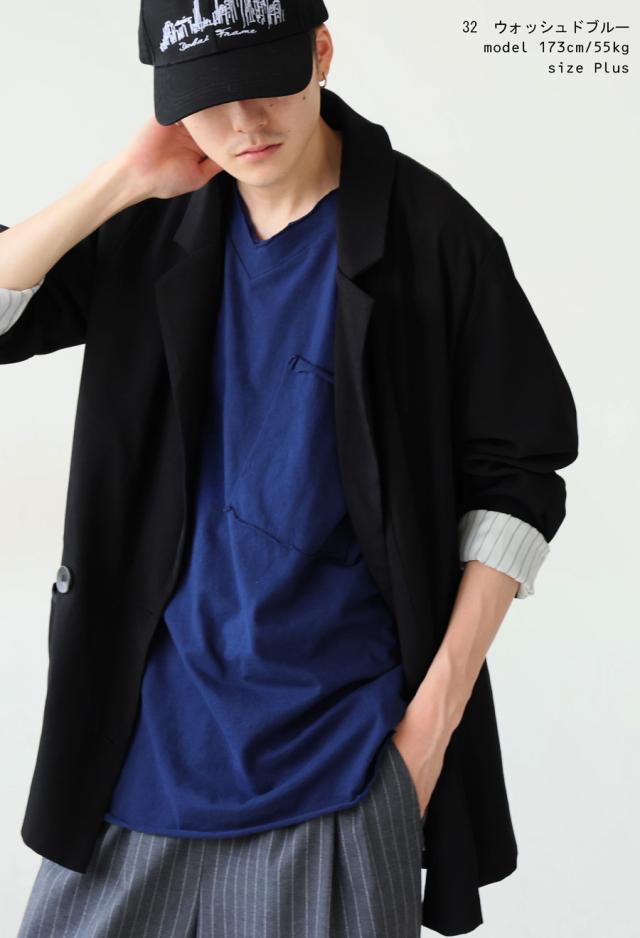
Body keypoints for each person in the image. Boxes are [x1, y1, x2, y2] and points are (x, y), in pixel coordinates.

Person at [1, 1, 579, 935]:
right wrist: (121, 181)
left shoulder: (433, 237)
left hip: (339, 772)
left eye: (264, 82)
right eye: (207, 99)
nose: (243, 124)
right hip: (133, 766)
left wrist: (428, 730)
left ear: (321, 50)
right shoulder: (147, 227)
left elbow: (519, 477)